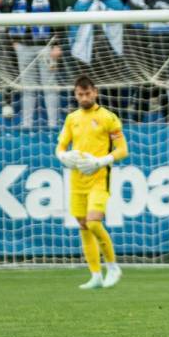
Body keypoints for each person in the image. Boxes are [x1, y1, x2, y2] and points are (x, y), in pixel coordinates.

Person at [55, 76, 128, 290]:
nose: (84, 97)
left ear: (95, 92)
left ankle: (113, 267)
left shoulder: (108, 117)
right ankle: (95, 275)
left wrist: (100, 161)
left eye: (88, 93)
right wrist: (63, 156)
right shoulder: (72, 119)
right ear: (75, 95)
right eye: (80, 94)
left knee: (94, 222)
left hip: (99, 178)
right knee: (84, 226)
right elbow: (60, 147)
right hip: (77, 180)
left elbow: (123, 150)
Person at [2, 0, 63, 129]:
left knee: (49, 86)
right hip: (24, 47)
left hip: (45, 46)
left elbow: (60, 22)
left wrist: (57, 45)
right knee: (28, 87)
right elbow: (8, 20)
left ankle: (53, 124)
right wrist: (14, 42)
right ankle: (27, 124)